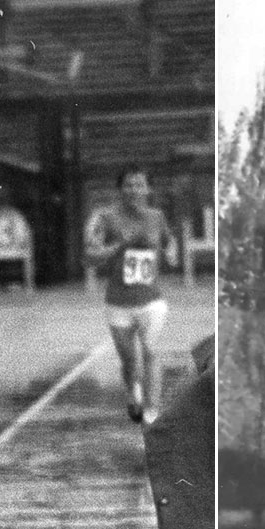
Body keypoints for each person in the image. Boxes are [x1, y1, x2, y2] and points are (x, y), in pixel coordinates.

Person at [84, 166, 179, 425]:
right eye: (129, 185)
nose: (134, 190)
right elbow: (91, 258)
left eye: (140, 184)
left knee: (151, 351)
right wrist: (120, 246)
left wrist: (171, 252)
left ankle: (152, 412)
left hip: (152, 301)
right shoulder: (107, 218)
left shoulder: (157, 217)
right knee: (129, 361)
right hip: (119, 303)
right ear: (120, 189)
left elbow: (170, 241)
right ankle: (132, 392)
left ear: (148, 189)